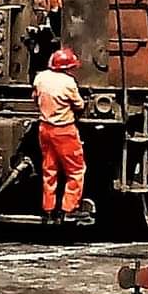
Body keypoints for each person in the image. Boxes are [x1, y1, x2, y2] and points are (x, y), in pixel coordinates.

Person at [33, 47, 89, 225]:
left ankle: (48, 210)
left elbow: (35, 98)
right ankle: (69, 209)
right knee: (76, 170)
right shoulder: (68, 82)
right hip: (64, 131)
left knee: (49, 170)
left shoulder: (40, 78)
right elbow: (79, 105)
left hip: (44, 128)